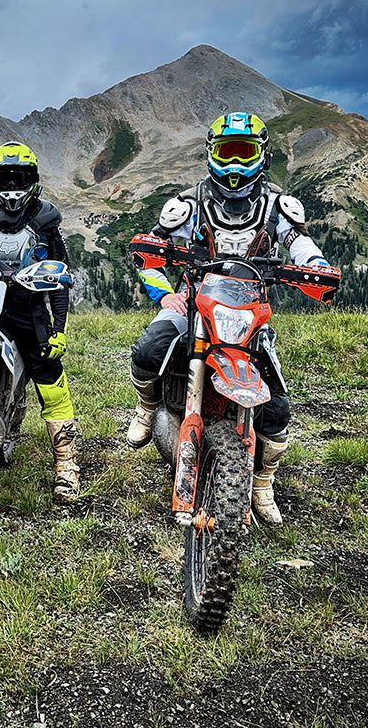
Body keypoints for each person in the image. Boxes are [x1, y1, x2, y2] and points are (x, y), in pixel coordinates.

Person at [127, 113, 333, 526]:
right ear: (211, 154)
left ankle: (262, 481)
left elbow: (302, 245)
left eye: (244, 152)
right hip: (193, 302)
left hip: (249, 310)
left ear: (261, 155)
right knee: (149, 349)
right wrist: (165, 294)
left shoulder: (278, 208)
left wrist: (314, 267)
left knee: (277, 409)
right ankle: (147, 409)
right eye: (227, 152)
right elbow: (148, 254)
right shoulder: (187, 205)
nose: (235, 164)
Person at [0, 141, 80, 504]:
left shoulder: (45, 220)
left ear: (33, 180)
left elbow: (61, 277)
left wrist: (59, 329)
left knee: (50, 377)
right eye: (4, 177)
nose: (11, 185)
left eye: (19, 177)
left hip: (28, 310)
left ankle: (66, 465)